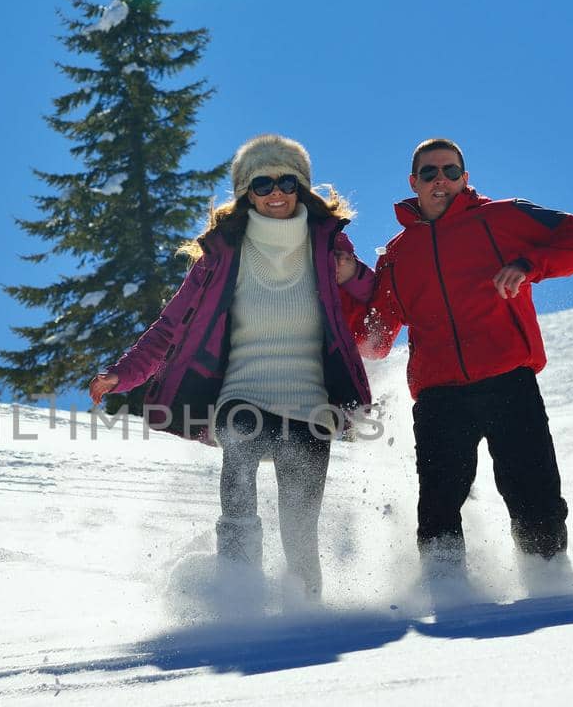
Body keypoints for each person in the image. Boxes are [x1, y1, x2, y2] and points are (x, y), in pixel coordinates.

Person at [89, 134, 374, 599]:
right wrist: (124, 374)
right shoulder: (222, 254)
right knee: (239, 482)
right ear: (246, 192)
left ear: (301, 187)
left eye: (287, 181)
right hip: (243, 396)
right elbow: (170, 326)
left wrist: (355, 274)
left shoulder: (329, 244)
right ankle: (237, 602)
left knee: (300, 526)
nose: (275, 192)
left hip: (312, 407)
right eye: (262, 183)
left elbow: (376, 299)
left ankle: (306, 617)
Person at [344, 137, 573, 586]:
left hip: (508, 380)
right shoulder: (398, 254)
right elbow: (375, 339)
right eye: (429, 173)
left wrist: (529, 263)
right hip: (439, 394)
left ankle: (549, 584)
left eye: (449, 171)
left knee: (532, 489)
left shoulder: (502, 216)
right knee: (440, 501)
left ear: (465, 179)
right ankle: (446, 593)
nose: (439, 180)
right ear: (414, 183)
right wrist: (347, 283)